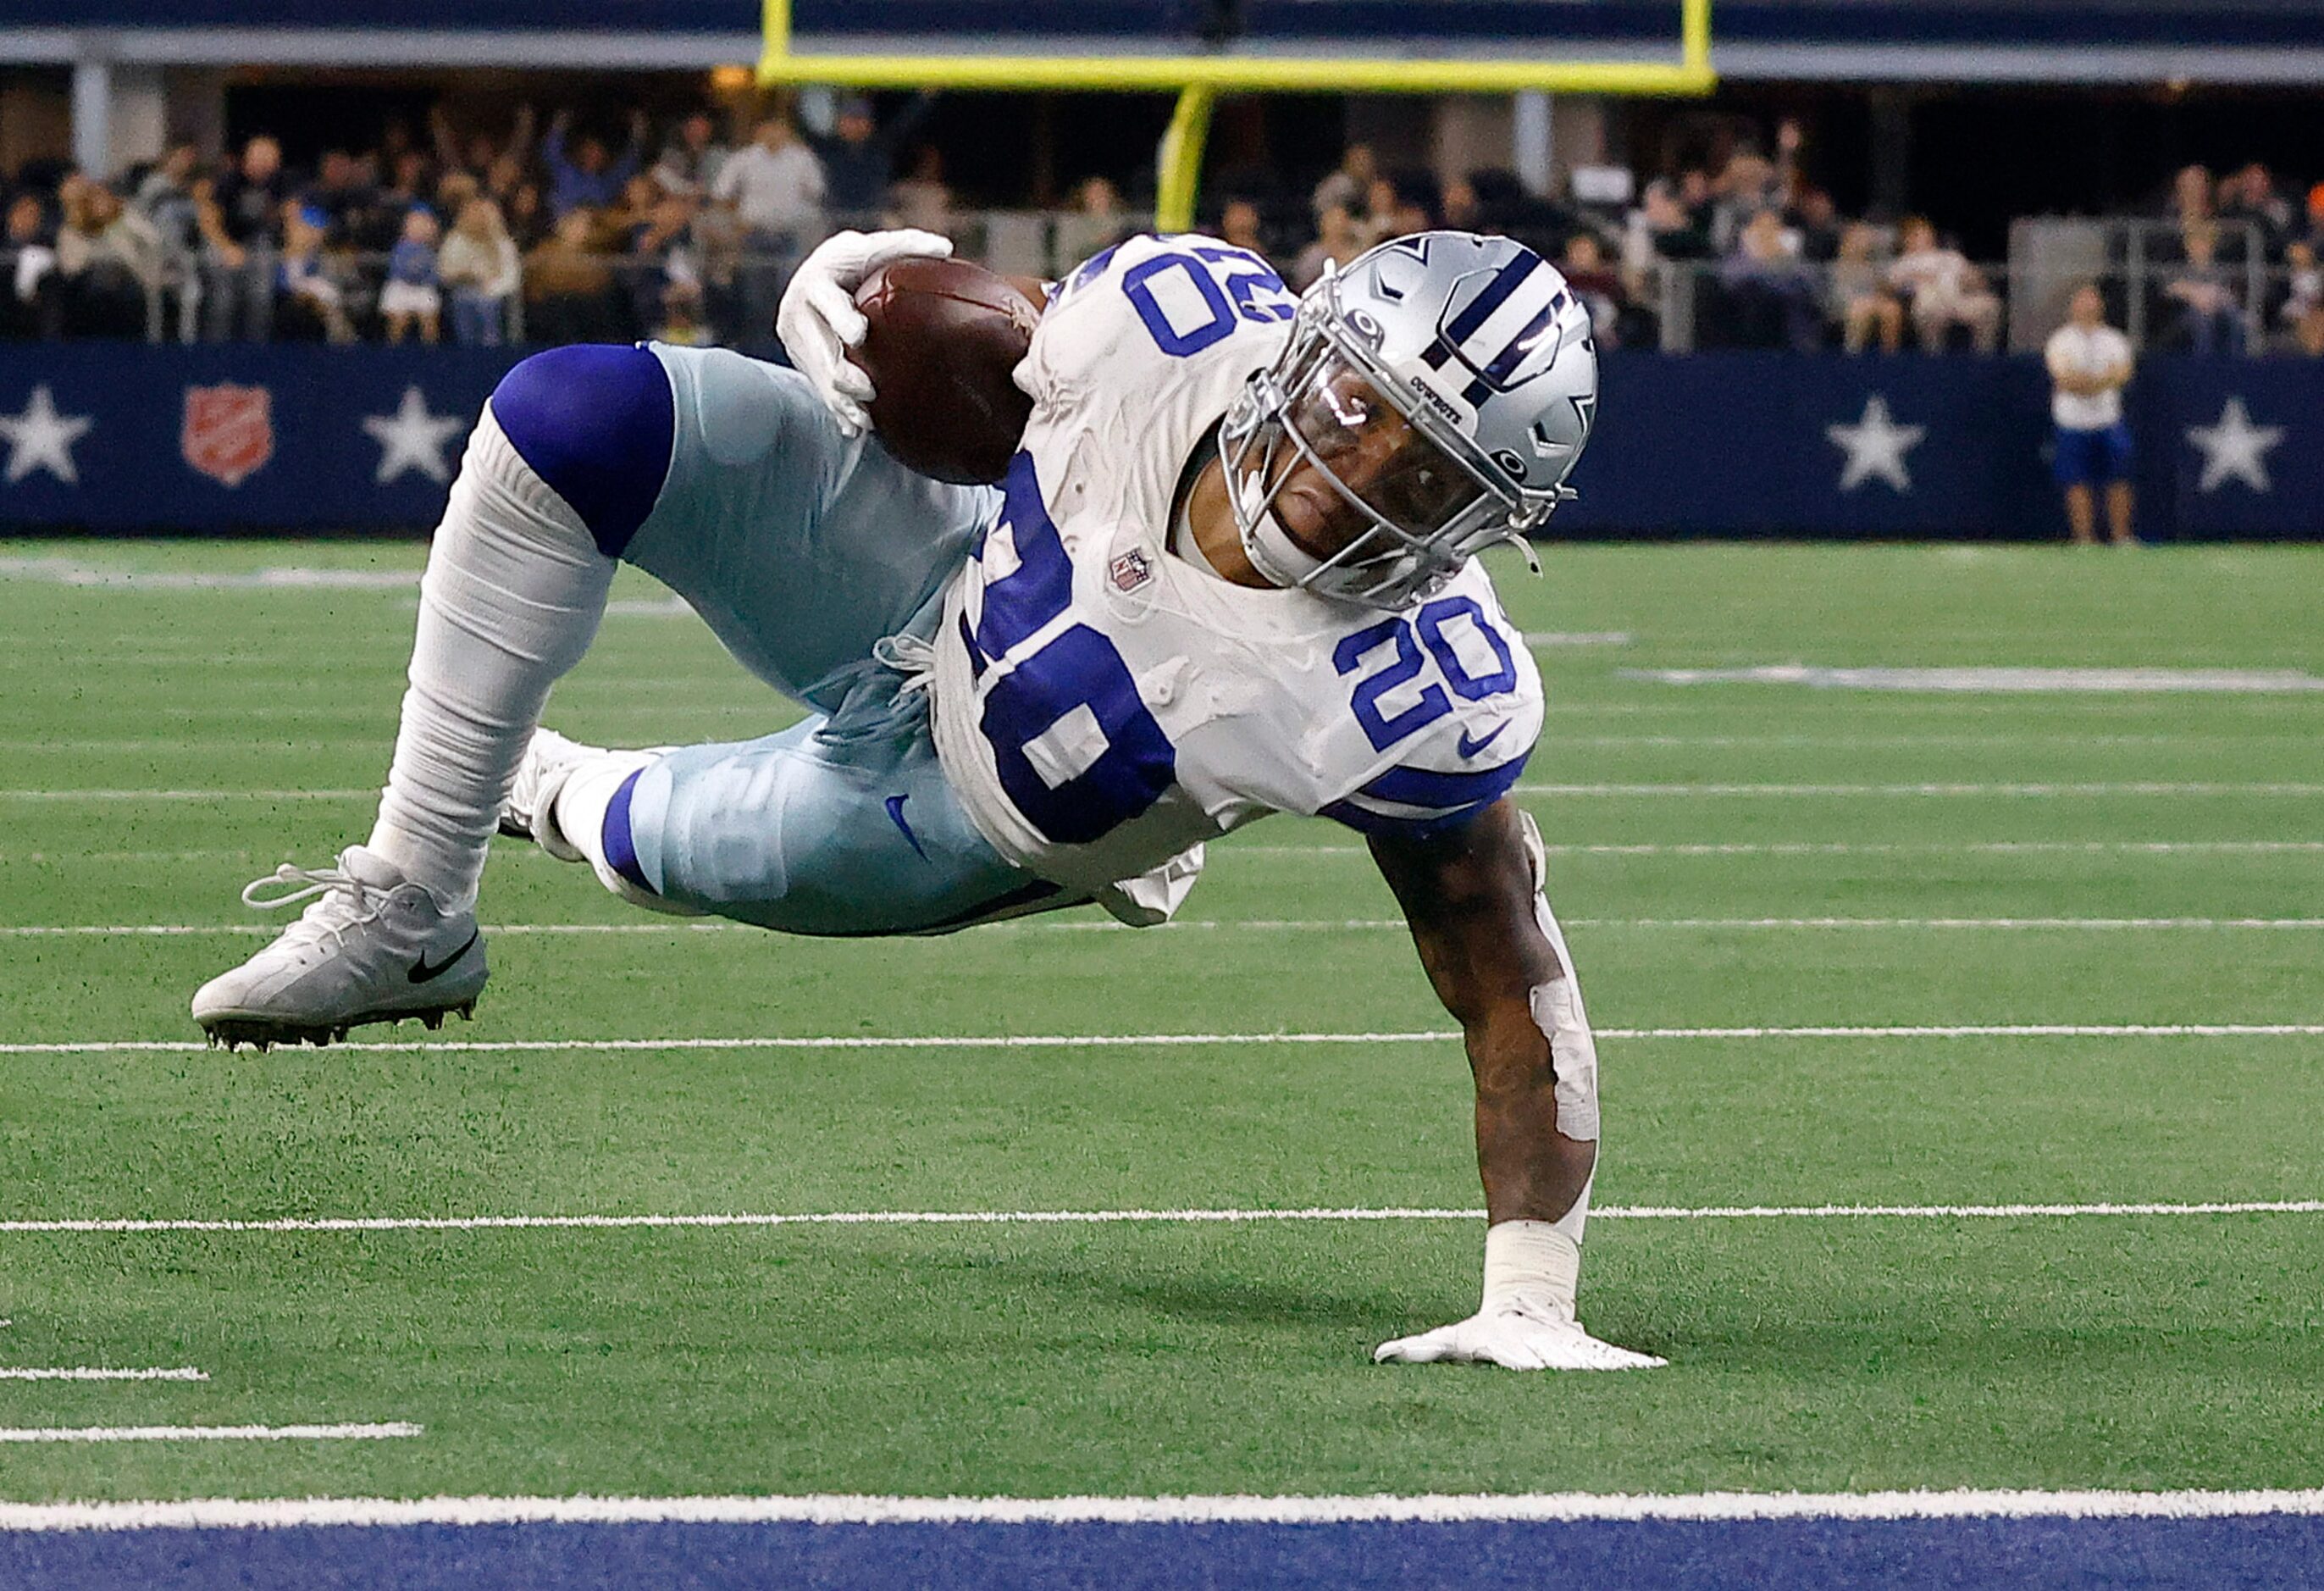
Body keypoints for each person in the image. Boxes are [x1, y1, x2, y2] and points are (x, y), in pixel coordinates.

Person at [190, 224, 1654, 1376]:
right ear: (1306, 340)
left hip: (965, 816)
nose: (1357, 471)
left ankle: (538, 787)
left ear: (1489, 524)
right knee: (570, 413)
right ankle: (413, 897)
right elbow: (992, 333)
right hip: (933, 574)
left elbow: (1505, 968)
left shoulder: (1417, 693)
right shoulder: (1172, 318)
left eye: (1429, 471)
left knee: (634, 832)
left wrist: (1527, 1296)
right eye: (1358, 405)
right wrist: (851, 277)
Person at [2044, 283, 2135, 547]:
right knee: (2076, 481)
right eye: (2082, 300)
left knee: (2119, 478)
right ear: (2073, 306)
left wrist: (2087, 383)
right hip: (2071, 422)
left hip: (2108, 420)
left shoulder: (2114, 340)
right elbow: (2062, 376)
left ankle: (2121, 536)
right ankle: (2084, 538)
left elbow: (2123, 374)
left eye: (2092, 299)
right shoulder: (2060, 340)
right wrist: (2101, 381)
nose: (2087, 305)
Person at [1887, 216, 2001, 353]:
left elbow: (1978, 281)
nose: (1924, 237)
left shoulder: (1951, 256)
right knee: (1927, 310)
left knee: (1990, 305)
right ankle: (1934, 358)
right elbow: (1892, 286)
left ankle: (1984, 356)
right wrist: (1914, 277)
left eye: (1926, 232)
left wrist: (1973, 280)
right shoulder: (1903, 263)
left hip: (1958, 301)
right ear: (1906, 239)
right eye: (1917, 234)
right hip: (1931, 305)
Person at [440, 197, 520, 346]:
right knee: (463, 299)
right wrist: (465, 276)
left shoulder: (503, 244)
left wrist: (490, 288)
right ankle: (466, 350)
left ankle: (491, 350)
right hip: (462, 289)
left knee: (485, 303)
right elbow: (446, 272)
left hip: (494, 293)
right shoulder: (455, 241)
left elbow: (512, 278)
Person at [380, 207, 442, 344]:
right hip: (400, 287)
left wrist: (424, 279)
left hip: (424, 289)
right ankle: (392, 354)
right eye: (415, 225)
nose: (419, 229)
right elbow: (397, 269)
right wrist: (413, 276)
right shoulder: (399, 248)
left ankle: (431, 354)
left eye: (423, 225)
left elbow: (436, 274)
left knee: (429, 322)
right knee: (399, 321)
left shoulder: (433, 250)